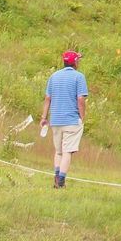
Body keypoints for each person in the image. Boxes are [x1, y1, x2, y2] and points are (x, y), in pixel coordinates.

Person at [40, 50, 88, 189]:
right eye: (78, 60)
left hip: (55, 120)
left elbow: (48, 98)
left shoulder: (54, 76)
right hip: (71, 120)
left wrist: (44, 117)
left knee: (58, 151)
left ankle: (56, 178)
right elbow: (80, 99)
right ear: (75, 62)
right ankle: (61, 182)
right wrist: (82, 117)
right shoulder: (79, 77)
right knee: (67, 151)